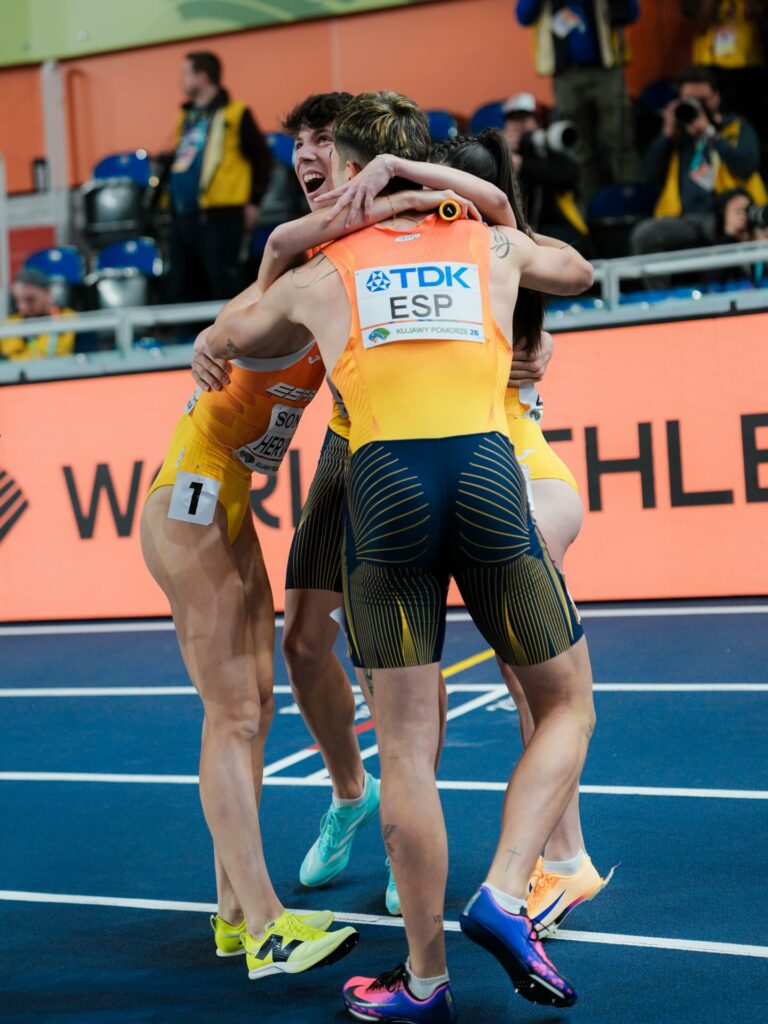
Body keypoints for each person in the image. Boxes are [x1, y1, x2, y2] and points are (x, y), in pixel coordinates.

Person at [204, 89, 595, 1022]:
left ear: (346, 177)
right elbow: (575, 270)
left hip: (380, 487)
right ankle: (507, 888)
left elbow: (232, 336)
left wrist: (286, 248)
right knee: (567, 705)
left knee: (407, 747)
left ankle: (423, 981)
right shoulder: (491, 244)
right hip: (486, 475)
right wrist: (449, 194)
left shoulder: (321, 268)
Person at [165, 51, 272, 302]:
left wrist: (254, 201)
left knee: (225, 288)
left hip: (221, 218)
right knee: (183, 290)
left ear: (202, 78)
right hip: (184, 218)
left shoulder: (237, 113)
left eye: (185, 74)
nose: (180, 81)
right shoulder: (187, 116)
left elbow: (263, 159)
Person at [631, 65, 767, 257]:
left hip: (728, 213)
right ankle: (660, 289)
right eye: (690, 101)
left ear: (716, 97)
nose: (698, 107)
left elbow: (747, 165)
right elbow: (647, 176)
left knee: (733, 225)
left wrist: (709, 134)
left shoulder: (736, 127)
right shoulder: (676, 136)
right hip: (687, 218)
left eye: (702, 100)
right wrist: (666, 136)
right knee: (644, 235)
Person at [515, 0, 640, 203]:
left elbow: (632, 13)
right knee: (577, 147)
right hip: (565, 75)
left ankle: (631, 202)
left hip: (606, 69)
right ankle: (590, 210)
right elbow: (523, 16)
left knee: (619, 141)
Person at [501, 91, 592, 255]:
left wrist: (523, 165)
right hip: (514, 228)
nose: (518, 126)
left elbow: (570, 175)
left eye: (524, 119)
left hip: (557, 226)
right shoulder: (500, 154)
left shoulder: (551, 148)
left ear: (538, 123)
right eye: (513, 120)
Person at [681, 0, 768, 132]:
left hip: (746, 63)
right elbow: (698, 25)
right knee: (707, 117)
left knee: (747, 121)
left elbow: (757, 11)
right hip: (708, 62)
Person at [2, 268, 76, 361]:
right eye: (18, 300)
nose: (23, 307)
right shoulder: (10, 323)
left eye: (30, 299)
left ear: (47, 292)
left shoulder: (68, 318)